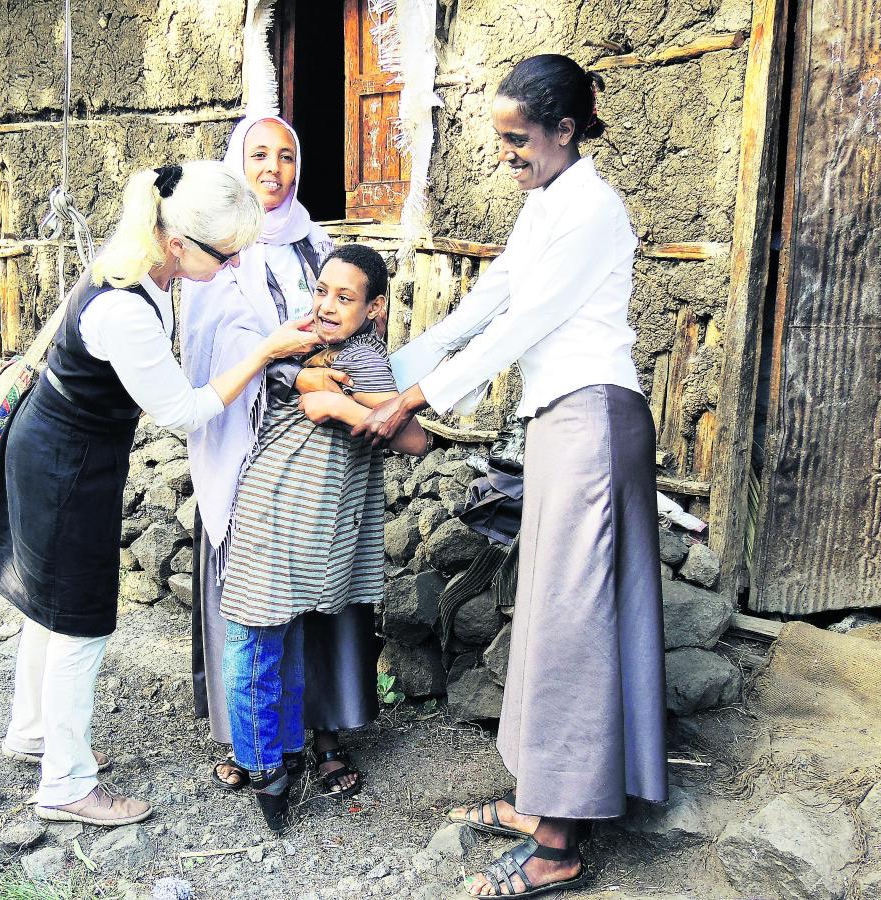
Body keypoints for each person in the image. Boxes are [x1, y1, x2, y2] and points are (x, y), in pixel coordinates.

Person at [353, 55, 667, 897]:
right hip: (567, 423)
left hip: (595, 423)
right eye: (499, 139)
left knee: (573, 624)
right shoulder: (548, 205)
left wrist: (412, 397)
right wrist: (387, 371)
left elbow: (524, 325)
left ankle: (559, 843)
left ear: (566, 131)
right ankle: (546, 804)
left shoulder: (594, 211)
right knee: (552, 613)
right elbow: (488, 301)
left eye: (517, 138)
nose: (505, 153)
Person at [0, 161, 319, 827]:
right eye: (230, 254)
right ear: (179, 243)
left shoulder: (144, 262)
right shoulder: (125, 306)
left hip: (62, 447)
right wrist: (265, 352)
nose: (238, 263)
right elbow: (183, 412)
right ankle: (66, 785)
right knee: (78, 621)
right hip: (65, 463)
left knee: (47, 606)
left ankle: (34, 730)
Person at [181, 112, 377, 800]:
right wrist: (297, 376)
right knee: (255, 604)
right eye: (259, 155)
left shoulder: (314, 245)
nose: (274, 169)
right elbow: (213, 355)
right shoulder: (213, 256)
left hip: (317, 456)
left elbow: (343, 331)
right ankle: (251, 739)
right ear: (237, 164)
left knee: (320, 590)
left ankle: (322, 733)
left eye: (287, 156)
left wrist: (331, 377)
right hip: (247, 448)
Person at [219, 245, 428, 832]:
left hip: (307, 515)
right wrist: (322, 391)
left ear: (376, 307)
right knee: (259, 638)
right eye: (322, 291)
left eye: (346, 296)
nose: (328, 306)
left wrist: (338, 401)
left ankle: (272, 761)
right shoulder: (300, 341)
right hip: (272, 503)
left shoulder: (364, 356)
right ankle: (267, 763)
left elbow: (414, 440)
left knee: (270, 640)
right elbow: (282, 385)